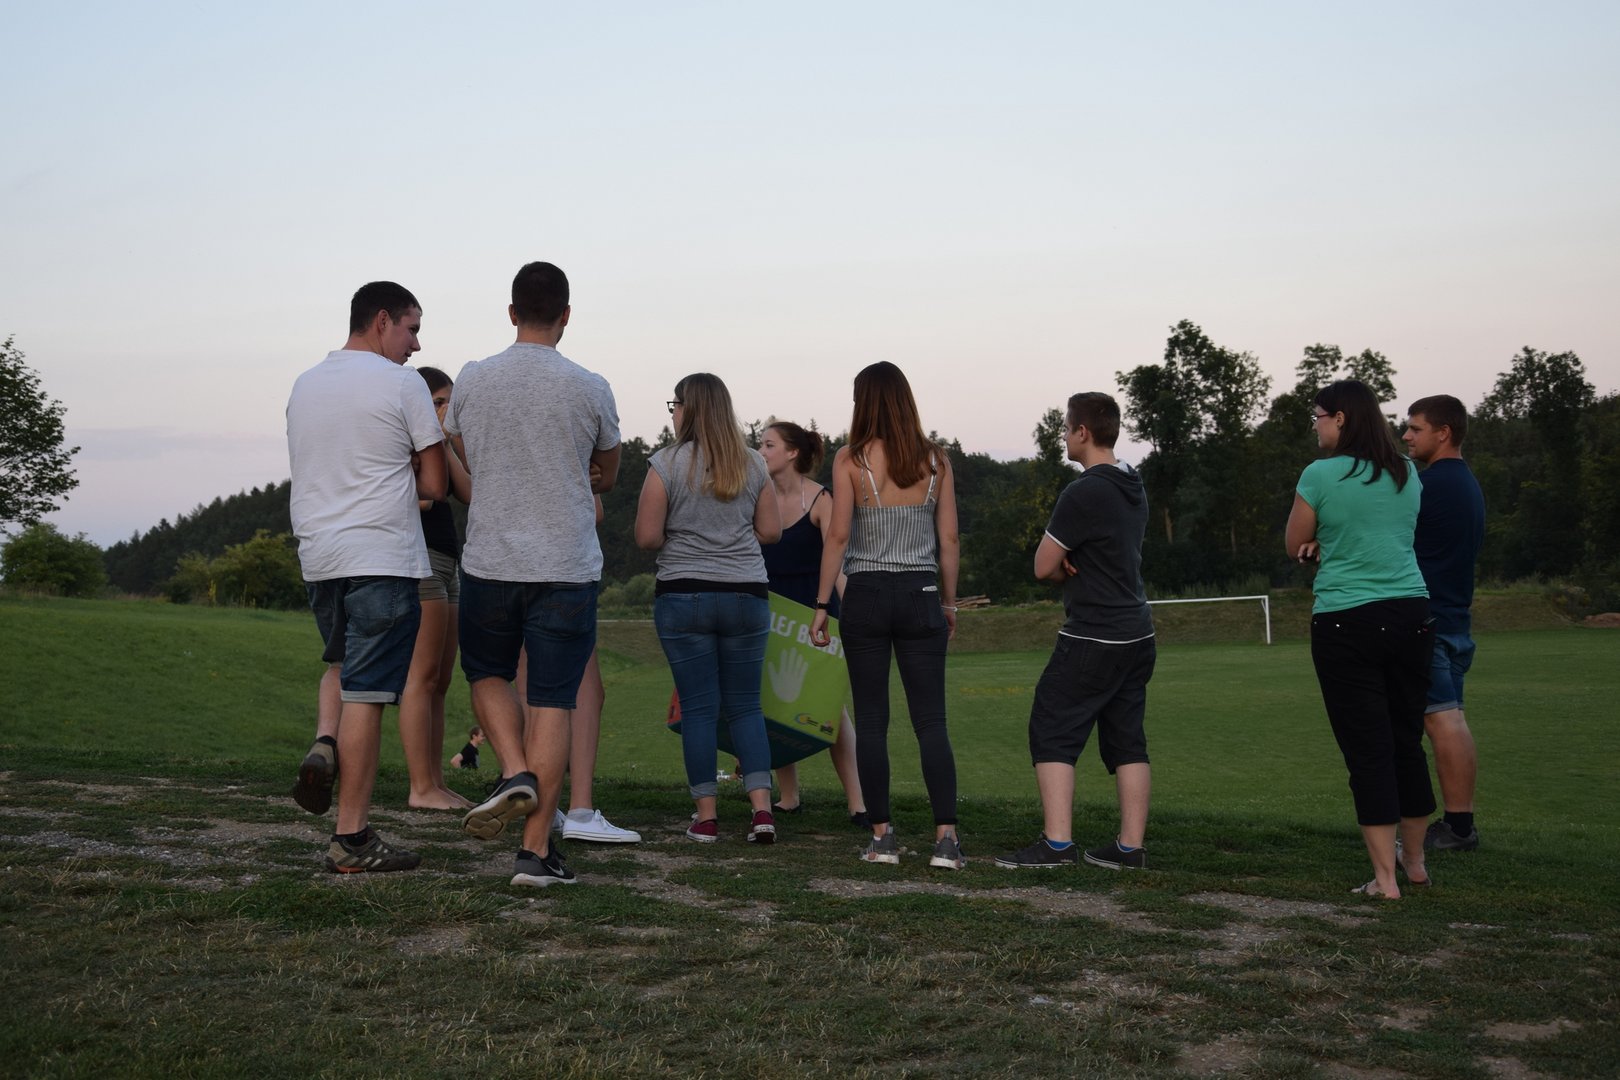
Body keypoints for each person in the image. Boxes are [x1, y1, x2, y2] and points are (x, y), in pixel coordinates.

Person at [445, 261, 621, 888]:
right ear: (566, 315)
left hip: (491, 561)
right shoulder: (590, 386)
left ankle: (514, 770)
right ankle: (535, 853)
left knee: (487, 675)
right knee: (554, 701)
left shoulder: (472, 378)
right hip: (566, 566)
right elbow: (608, 473)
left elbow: (464, 451)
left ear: (512, 312)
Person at [287, 281, 446, 873]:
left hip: (320, 555)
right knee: (368, 695)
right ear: (382, 321)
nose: (416, 344)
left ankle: (325, 740)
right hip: (381, 554)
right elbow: (435, 485)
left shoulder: (305, 384)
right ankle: (351, 838)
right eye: (411, 328)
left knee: (341, 665)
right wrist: (407, 460)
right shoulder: (403, 384)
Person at [810, 362, 963, 870]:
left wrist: (821, 606)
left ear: (864, 402)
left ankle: (882, 838)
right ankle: (946, 840)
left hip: (867, 595)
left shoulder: (850, 459)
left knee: (872, 721)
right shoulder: (936, 460)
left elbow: (837, 536)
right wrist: (948, 603)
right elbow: (949, 539)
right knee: (931, 721)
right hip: (921, 593)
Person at [995, 393, 1156, 871]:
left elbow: (1043, 565)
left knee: (1051, 727)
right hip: (1138, 632)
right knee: (1127, 739)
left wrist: (1065, 564)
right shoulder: (1133, 482)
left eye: (1067, 428)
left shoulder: (1084, 491)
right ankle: (1130, 848)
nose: (1064, 436)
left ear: (1083, 432)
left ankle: (1057, 843)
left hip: (1094, 633)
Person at [1286, 379, 1434, 899]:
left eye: (1318, 415)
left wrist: (1315, 544)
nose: (1316, 425)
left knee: (1368, 751)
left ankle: (1385, 880)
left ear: (1341, 419)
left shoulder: (1319, 474)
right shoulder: (1407, 472)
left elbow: (1294, 541)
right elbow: (1388, 536)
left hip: (1347, 621)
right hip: (1412, 614)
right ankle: (1415, 864)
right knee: (1406, 742)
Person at [635, 373, 782, 844]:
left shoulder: (665, 463)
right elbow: (771, 531)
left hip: (684, 595)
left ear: (689, 408)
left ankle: (707, 817)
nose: (672, 413)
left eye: (674, 404)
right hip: (746, 594)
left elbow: (646, 537)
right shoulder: (753, 462)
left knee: (698, 709)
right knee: (746, 707)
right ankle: (762, 811)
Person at [758, 421, 868, 827]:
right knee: (774, 701)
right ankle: (789, 797)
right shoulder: (757, 496)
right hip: (769, 611)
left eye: (768, 445)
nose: (760, 452)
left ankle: (859, 803)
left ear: (792, 453)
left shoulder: (822, 500)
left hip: (816, 613)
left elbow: (838, 560)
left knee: (830, 707)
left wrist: (853, 613)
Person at [1403, 395, 1486, 852]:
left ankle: (1456, 830)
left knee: (1442, 721)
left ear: (1443, 432)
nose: (1407, 436)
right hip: (1455, 620)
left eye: (1415, 428)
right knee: (1452, 719)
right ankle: (1460, 822)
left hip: (1428, 620)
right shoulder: (1468, 484)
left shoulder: (1428, 484)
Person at [398, 366, 473, 809]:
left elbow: (469, 491)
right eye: (440, 402)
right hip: (420, 559)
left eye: (449, 402)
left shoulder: (437, 445)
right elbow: (426, 498)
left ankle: (436, 782)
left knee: (442, 680)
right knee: (422, 677)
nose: (447, 410)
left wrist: (444, 442)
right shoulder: (403, 445)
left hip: (448, 562)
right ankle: (420, 787)